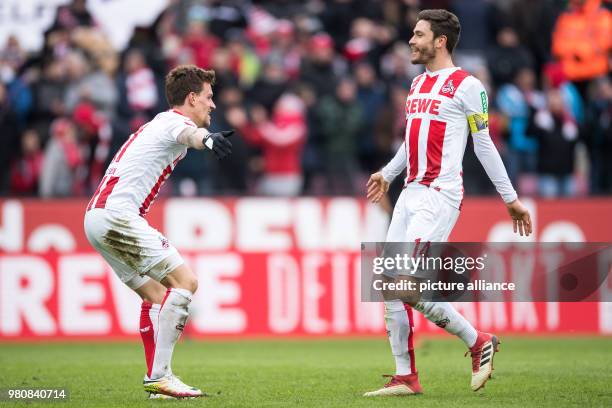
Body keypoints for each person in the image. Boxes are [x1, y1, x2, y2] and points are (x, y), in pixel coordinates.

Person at [364, 9, 532, 396]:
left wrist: (511, 200)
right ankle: (406, 376)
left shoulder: (468, 85)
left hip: (439, 196)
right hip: (409, 193)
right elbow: (412, 141)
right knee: (389, 285)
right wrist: (388, 174)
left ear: (440, 41)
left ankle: (478, 341)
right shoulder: (417, 83)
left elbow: (484, 144)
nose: (411, 40)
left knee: (407, 285)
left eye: (419, 34)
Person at [83, 65, 233, 399]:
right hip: (117, 217)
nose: (213, 105)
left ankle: (157, 382)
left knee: (154, 295)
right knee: (186, 283)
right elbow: (189, 135)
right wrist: (207, 139)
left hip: (97, 217)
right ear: (191, 98)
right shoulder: (173, 122)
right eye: (208, 98)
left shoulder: (158, 123)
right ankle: (160, 376)